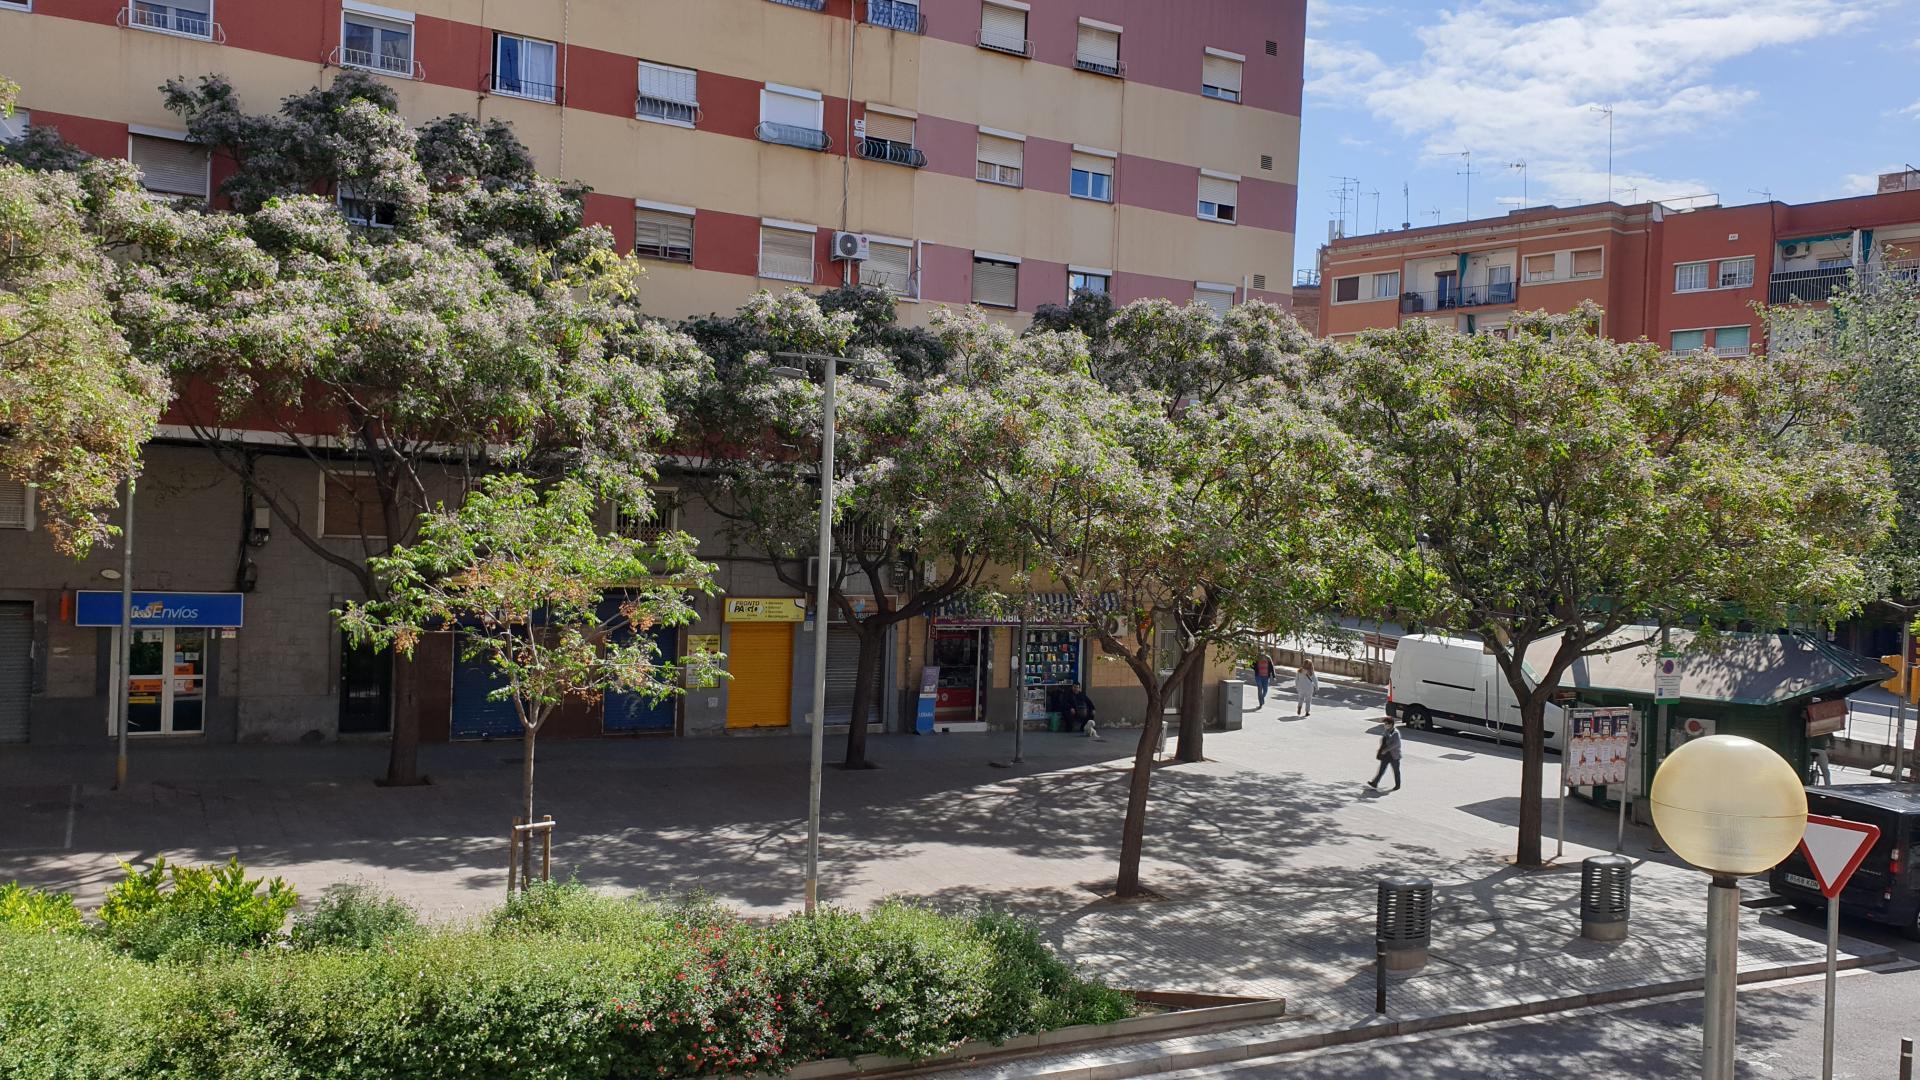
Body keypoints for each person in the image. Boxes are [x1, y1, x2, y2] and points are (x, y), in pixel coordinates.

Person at [1368, 716, 1402, 791]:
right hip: (1386, 755)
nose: (1385, 725)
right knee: (1381, 769)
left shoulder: (1395, 733)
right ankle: (1375, 783)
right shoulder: (1386, 732)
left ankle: (1398, 785)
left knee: (1396, 771)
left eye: (1386, 724)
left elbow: (1396, 744)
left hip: (1394, 755)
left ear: (1391, 724)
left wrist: (1386, 749)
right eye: (1385, 724)